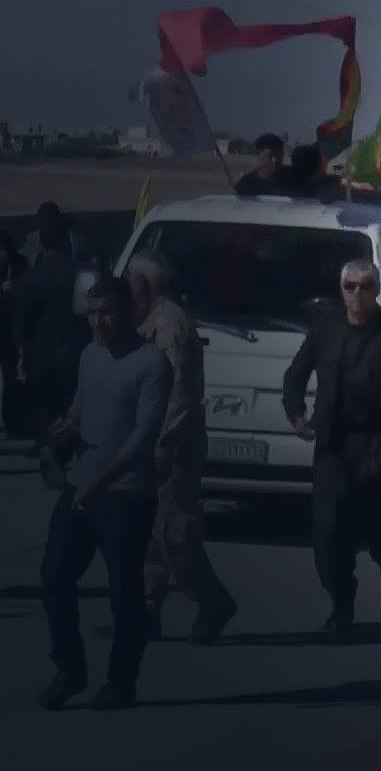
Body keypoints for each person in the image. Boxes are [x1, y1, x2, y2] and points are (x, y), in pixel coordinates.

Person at [35, 277, 171, 711]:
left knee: (124, 593)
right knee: (55, 578)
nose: (99, 322)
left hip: (125, 495)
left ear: (129, 311)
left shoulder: (151, 364)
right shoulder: (90, 354)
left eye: (108, 312)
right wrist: (69, 424)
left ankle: (121, 681)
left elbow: (144, 434)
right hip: (81, 488)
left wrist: (104, 479)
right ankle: (69, 670)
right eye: (93, 313)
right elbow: (82, 403)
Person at [283, 260, 381, 635]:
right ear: (342, 290)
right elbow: (295, 376)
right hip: (336, 444)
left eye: (365, 286)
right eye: (350, 286)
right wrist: (297, 414)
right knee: (328, 533)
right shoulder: (326, 330)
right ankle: (342, 603)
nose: (357, 294)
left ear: (377, 289)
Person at [125, 252, 237, 643]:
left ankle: (212, 600)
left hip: (171, 447)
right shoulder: (140, 319)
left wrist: (158, 443)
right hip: (142, 444)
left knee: (176, 535)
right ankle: (147, 608)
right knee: (144, 534)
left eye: (130, 280)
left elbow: (178, 395)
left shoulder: (169, 324)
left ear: (143, 284)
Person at [12, 204, 89, 456]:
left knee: (45, 409)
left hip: (42, 357)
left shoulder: (31, 278)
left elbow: (21, 322)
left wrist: (21, 360)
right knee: (72, 407)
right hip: (75, 353)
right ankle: (73, 451)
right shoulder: (82, 273)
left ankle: (49, 451)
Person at [0, 231, 28, 437]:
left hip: (12, 331)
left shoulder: (19, 266)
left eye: (4, 251)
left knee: (12, 380)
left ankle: (14, 423)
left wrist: (15, 289)